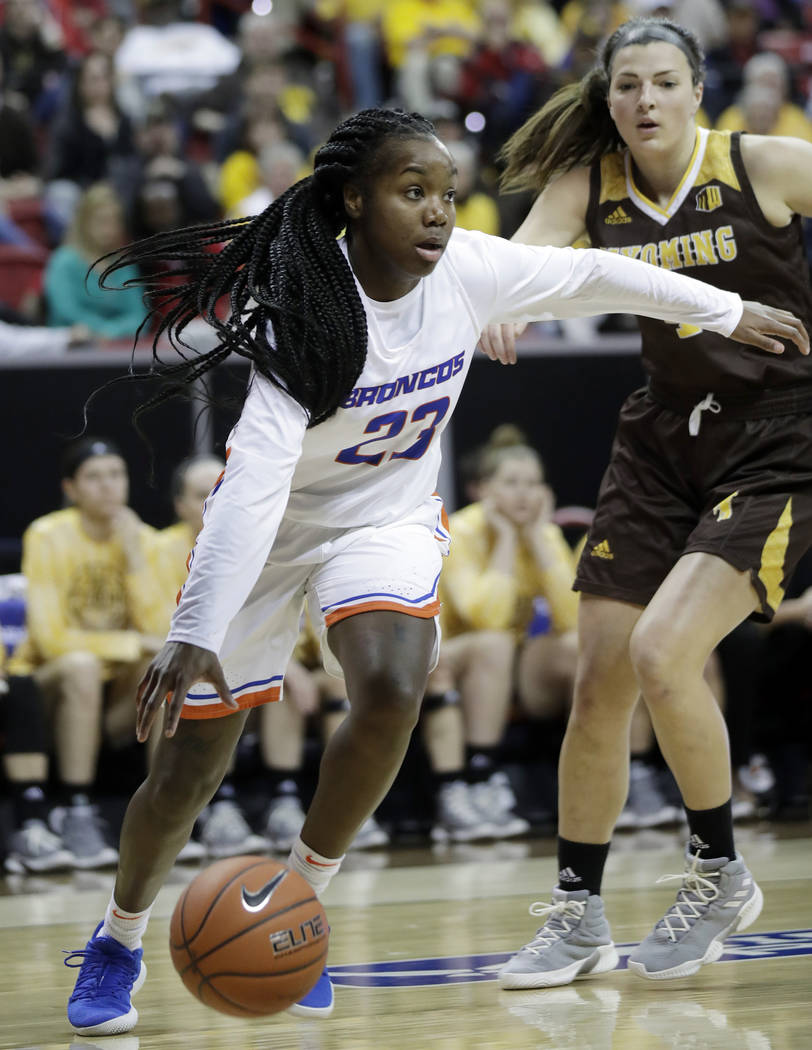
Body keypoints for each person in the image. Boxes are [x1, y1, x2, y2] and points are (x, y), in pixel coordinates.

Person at [62, 105, 804, 1036]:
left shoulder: (469, 269)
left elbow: (594, 273)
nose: (439, 213)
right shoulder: (300, 318)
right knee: (185, 775)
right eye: (412, 193)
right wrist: (194, 632)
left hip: (384, 519)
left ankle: (298, 902)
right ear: (351, 200)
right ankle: (119, 937)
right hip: (271, 533)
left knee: (391, 687)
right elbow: (247, 494)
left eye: (448, 194)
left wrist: (728, 307)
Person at [479, 16, 812, 989]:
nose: (644, 102)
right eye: (627, 86)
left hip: (775, 443)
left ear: (694, 89)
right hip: (660, 440)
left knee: (666, 653)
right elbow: (527, 255)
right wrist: (507, 297)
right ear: (608, 96)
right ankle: (576, 915)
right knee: (600, 685)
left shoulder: (765, 165)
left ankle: (717, 876)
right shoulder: (591, 178)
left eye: (663, 83)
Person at [13, 437, 166, 869]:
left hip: (110, 706)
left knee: (164, 664)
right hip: (50, 690)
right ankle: (76, 809)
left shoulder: (146, 540)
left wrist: (135, 559)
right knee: (80, 666)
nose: (108, 486)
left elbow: (163, 637)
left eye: (117, 474)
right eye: (94, 477)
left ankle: (167, 812)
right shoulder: (48, 535)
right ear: (71, 489)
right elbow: (51, 640)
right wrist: (131, 644)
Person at [425, 432, 579, 839]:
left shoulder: (542, 533)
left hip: (512, 658)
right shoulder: (462, 529)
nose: (524, 495)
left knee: (576, 647)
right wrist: (508, 540)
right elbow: (485, 618)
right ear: (484, 489)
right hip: (452, 654)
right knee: (493, 644)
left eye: (533, 484)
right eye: (511, 483)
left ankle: (626, 775)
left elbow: (572, 617)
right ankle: (478, 777)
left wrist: (536, 539)